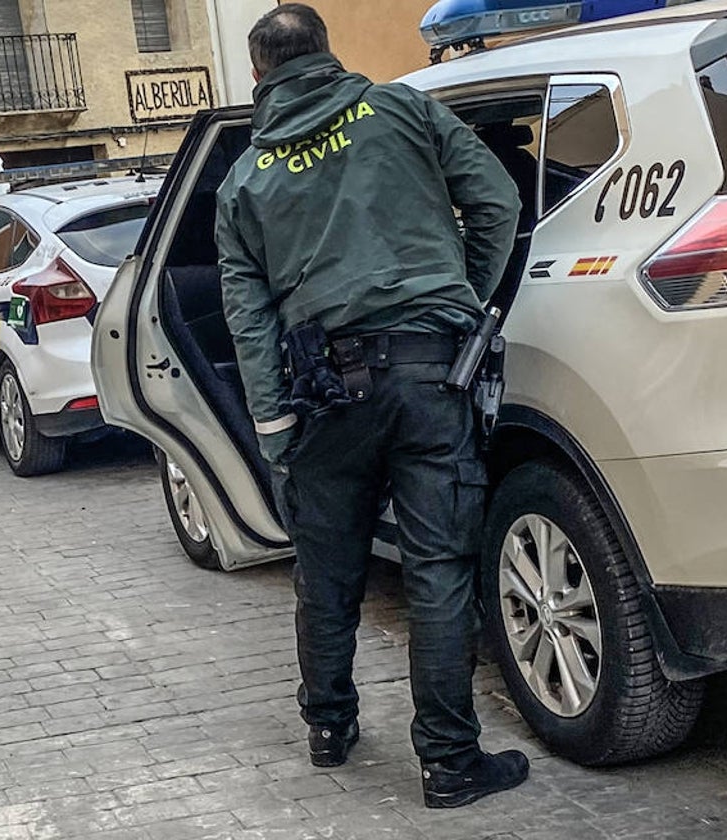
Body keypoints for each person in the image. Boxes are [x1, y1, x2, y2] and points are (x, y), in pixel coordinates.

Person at [215, 4, 526, 809]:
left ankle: (329, 730)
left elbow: (248, 320)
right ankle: (451, 764)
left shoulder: (244, 179)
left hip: (322, 396)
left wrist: (275, 424)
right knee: (438, 573)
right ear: (326, 51)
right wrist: (468, 306)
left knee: (326, 575)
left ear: (258, 74)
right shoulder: (401, 108)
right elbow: (494, 199)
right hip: (430, 376)